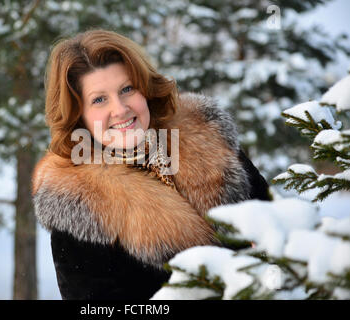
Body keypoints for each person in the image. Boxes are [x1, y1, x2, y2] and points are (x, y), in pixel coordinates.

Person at [31, 29, 270, 300]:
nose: (120, 109)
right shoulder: (76, 203)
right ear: (78, 116)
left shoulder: (208, 138)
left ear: (145, 88)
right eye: (99, 99)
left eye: (127, 89)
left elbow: (278, 232)